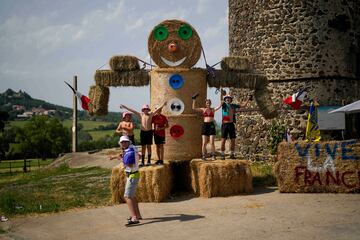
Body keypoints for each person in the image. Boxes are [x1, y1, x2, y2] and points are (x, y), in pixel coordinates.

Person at [120, 102, 166, 167]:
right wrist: (125, 107)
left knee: (149, 147)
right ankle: (142, 162)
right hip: (143, 132)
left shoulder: (151, 114)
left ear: (148, 109)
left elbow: (158, 109)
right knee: (143, 147)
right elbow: (132, 110)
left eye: (147, 109)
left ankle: (149, 161)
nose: (145, 110)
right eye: (144, 109)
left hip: (149, 132)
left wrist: (163, 104)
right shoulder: (140, 115)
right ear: (143, 110)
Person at [109, 135, 142, 226]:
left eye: (125, 142)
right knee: (132, 196)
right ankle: (137, 215)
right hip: (134, 174)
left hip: (132, 175)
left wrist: (123, 162)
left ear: (128, 142)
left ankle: (134, 218)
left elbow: (130, 164)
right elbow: (139, 156)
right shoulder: (132, 148)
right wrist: (116, 157)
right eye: (122, 142)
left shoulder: (130, 152)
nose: (123, 143)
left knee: (127, 196)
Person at [220, 89, 252, 160]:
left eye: (229, 98)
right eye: (226, 98)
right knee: (223, 140)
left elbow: (243, 105)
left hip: (231, 124)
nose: (228, 99)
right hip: (225, 124)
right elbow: (221, 99)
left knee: (233, 140)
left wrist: (248, 99)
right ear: (225, 99)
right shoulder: (223, 105)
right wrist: (221, 92)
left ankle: (232, 154)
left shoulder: (233, 106)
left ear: (231, 100)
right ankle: (222, 154)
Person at [192, 94, 221, 160]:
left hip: (211, 125)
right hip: (205, 125)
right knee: (204, 142)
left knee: (212, 142)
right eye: (207, 103)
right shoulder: (203, 109)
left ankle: (213, 155)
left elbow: (219, 106)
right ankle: (204, 155)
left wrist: (221, 98)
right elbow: (194, 108)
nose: (208, 104)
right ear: (205, 104)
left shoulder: (213, 109)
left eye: (209, 103)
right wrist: (194, 100)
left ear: (210, 103)